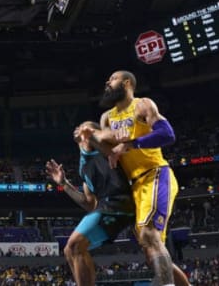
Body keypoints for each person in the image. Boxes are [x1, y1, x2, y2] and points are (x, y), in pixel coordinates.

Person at [79, 70, 186, 286]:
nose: (108, 82)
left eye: (113, 79)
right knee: (151, 250)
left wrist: (132, 142)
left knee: (149, 235)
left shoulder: (142, 104)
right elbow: (110, 151)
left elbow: (167, 134)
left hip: (155, 174)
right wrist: (89, 136)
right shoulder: (107, 117)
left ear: (127, 83)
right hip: (134, 186)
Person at [46, 120, 135, 286]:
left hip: (118, 203)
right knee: (69, 250)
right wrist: (64, 184)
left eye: (85, 127)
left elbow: (111, 136)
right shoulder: (83, 165)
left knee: (74, 246)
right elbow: (89, 203)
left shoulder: (99, 147)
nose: (79, 128)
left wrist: (94, 134)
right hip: (106, 205)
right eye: (79, 126)